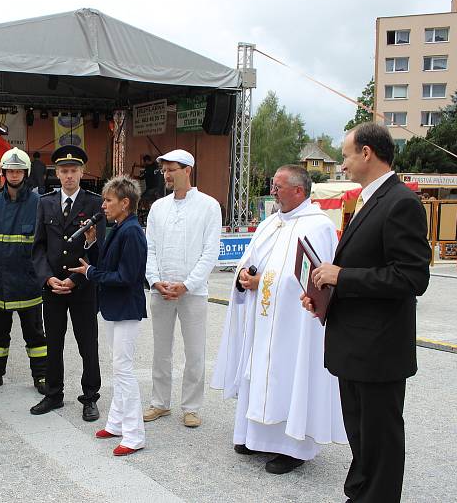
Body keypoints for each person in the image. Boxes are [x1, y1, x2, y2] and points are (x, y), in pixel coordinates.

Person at [303, 123, 431, 502]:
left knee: (380, 435)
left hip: (379, 348)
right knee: (360, 432)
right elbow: (366, 266)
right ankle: (360, 492)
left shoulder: (400, 201)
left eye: (344, 154)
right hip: (356, 342)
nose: (341, 163)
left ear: (366, 153)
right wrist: (325, 295)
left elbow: (410, 277)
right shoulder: (369, 199)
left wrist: (342, 276)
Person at [211, 164, 347, 475]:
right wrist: (244, 276)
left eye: (279, 186)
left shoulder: (317, 226)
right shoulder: (270, 223)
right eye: (274, 185)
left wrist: (265, 282)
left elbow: (315, 278)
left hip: (294, 323)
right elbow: (251, 260)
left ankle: (293, 447)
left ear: (299, 191)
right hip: (262, 320)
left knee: (290, 375)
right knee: (258, 372)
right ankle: (254, 437)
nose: (273, 191)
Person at [68, 176, 148, 456]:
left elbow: (126, 276)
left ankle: (135, 434)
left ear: (125, 203)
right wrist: (91, 244)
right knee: (118, 367)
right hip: (114, 307)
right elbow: (109, 261)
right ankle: (116, 423)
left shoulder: (132, 232)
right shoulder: (118, 227)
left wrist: (90, 273)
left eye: (109, 200)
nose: (103, 205)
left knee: (124, 369)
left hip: (126, 307)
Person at [143, 149, 221, 428]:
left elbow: (211, 252)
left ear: (187, 170)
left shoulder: (209, 206)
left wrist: (188, 284)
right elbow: (149, 248)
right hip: (161, 289)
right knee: (160, 350)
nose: (166, 175)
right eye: (164, 170)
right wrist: (154, 280)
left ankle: (191, 407)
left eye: (171, 169)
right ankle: (160, 403)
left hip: (193, 292)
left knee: (195, 351)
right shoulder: (158, 207)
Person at [31, 144, 106, 420]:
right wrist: (48, 277)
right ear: (57, 173)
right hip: (52, 287)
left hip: (83, 288)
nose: (69, 176)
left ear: (82, 172)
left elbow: (99, 248)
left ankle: (90, 398)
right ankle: (53, 394)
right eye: (64, 171)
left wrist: (75, 279)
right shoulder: (45, 202)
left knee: (88, 344)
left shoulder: (95, 203)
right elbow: (38, 247)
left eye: (74, 170)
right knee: (54, 344)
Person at [0, 148, 48, 394]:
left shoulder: (40, 204)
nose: (14, 175)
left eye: (19, 171)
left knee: (35, 337)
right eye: (10, 171)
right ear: (4, 173)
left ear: (25, 173)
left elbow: (46, 246)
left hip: (28, 283)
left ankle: (42, 378)